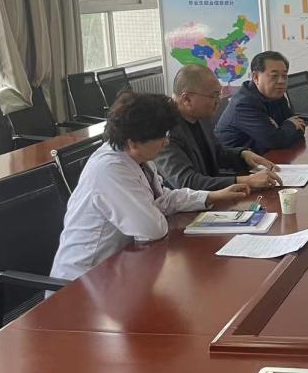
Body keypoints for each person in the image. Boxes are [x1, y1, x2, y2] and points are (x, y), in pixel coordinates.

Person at [50, 93, 251, 280]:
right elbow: (151, 229)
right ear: (133, 142)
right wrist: (157, 208)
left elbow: (161, 198)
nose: (167, 142)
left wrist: (211, 196)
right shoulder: (110, 170)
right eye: (161, 137)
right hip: (84, 281)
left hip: (121, 267)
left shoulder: (137, 157)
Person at [156, 64, 282, 191]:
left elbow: (217, 153)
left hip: (214, 194)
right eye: (213, 95)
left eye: (219, 94)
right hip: (187, 201)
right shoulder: (163, 130)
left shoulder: (200, 116)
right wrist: (246, 181)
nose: (219, 101)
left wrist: (243, 155)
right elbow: (187, 182)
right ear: (187, 99)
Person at [215, 51, 306, 153]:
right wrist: (288, 127)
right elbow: (275, 141)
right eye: (274, 76)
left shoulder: (276, 94)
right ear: (256, 77)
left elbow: (299, 127)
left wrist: (283, 130)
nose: (281, 81)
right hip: (238, 160)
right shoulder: (244, 103)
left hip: (265, 155)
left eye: (284, 76)